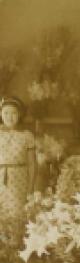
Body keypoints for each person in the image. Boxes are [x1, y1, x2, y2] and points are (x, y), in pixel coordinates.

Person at [0, 96, 36, 240]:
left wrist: (31, 188)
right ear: (1, 114)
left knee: (16, 215)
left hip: (19, 180)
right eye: (6, 113)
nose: (10, 117)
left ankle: (15, 251)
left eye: (13, 113)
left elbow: (33, 163)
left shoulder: (26, 136)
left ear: (19, 115)